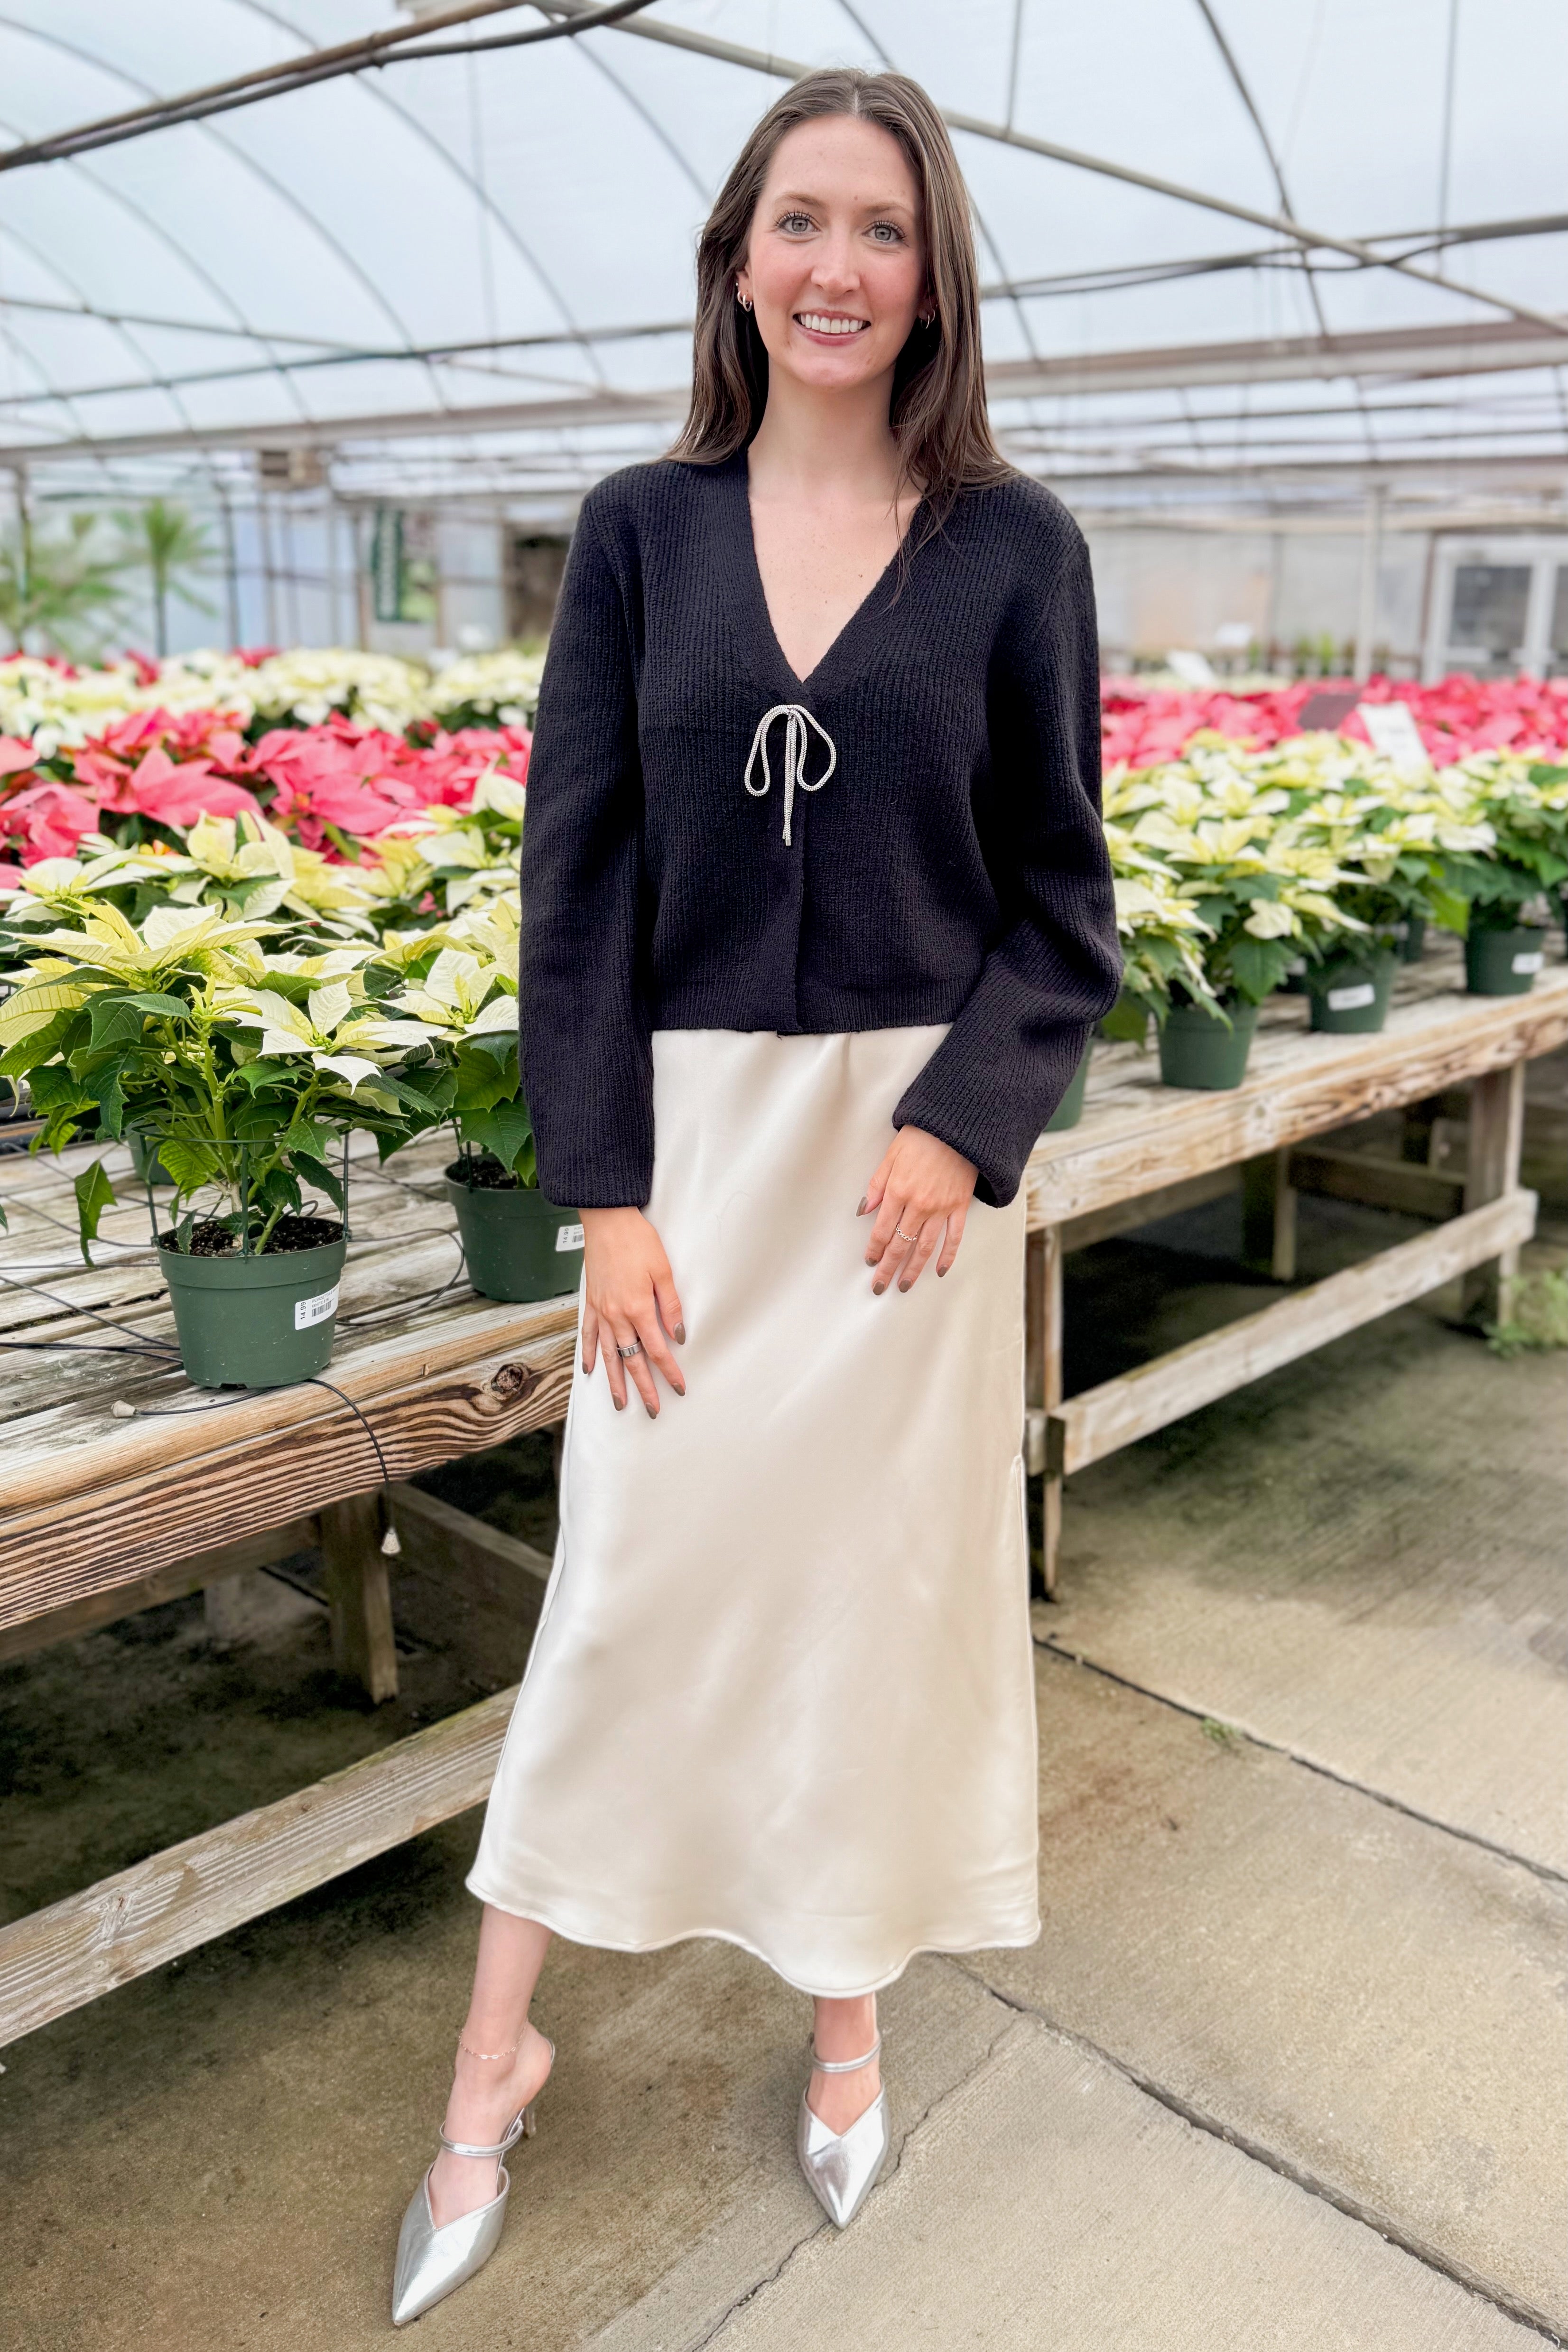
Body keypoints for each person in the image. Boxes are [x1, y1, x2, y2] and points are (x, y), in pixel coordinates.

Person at [392, 65, 1119, 2325]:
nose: (833, 267)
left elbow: (1064, 906)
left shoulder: (1015, 552)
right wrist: (604, 1188)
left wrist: (959, 1115)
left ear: (931, 280)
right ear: (734, 259)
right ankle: (489, 2053)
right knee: (622, 1589)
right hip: (691, 1166)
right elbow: (573, 884)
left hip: (905, 1181)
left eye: (879, 231)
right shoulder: (638, 530)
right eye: (795, 222)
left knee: (876, 1609)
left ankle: (841, 2007)